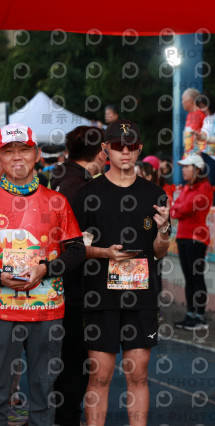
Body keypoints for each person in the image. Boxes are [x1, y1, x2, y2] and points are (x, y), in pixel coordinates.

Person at [70, 119, 171, 426]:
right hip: (100, 297)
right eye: (117, 146)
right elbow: (74, 249)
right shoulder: (87, 194)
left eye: (131, 146)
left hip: (141, 297)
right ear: (106, 149)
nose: (125, 152)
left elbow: (159, 251)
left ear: (139, 149)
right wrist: (106, 253)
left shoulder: (156, 194)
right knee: (99, 376)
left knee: (138, 375)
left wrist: (164, 230)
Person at [0, 123, 85, 426]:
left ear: (36, 154)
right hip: (2, 311)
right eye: (8, 151)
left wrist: (45, 269)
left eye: (23, 150)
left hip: (46, 312)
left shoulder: (56, 201)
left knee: (43, 390)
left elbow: (77, 250)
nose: (17, 157)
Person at [50, 125, 107, 426]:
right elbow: (77, 245)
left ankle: (63, 414)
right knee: (75, 362)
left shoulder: (60, 176)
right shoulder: (79, 187)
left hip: (62, 281)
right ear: (99, 153)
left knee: (66, 360)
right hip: (75, 286)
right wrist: (109, 251)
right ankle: (67, 417)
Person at [171, 154, 213, 331]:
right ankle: (190, 314)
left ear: (198, 169)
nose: (183, 170)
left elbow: (185, 208)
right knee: (189, 278)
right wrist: (177, 209)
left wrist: (177, 208)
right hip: (183, 236)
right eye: (183, 166)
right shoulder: (188, 187)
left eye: (187, 166)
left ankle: (200, 317)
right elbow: (174, 210)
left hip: (197, 238)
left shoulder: (204, 187)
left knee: (196, 277)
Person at [194, 92, 215, 206]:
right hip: (206, 154)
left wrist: (205, 138)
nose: (202, 109)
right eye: (200, 106)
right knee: (207, 185)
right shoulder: (207, 118)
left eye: (204, 106)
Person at [181, 88, 206, 157]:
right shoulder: (190, 114)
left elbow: (196, 137)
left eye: (183, 99)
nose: (182, 102)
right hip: (190, 155)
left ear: (190, 100)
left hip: (195, 156)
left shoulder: (198, 114)